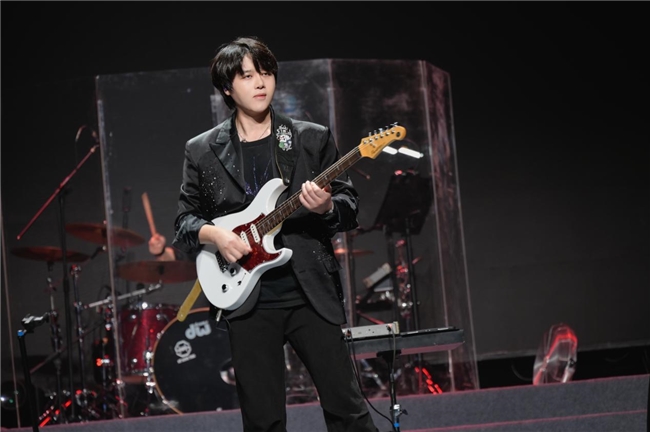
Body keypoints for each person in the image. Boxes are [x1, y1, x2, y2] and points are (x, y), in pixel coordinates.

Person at [170, 36, 378, 432]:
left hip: (309, 292)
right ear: (227, 87)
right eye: (248, 76)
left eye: (266, 73)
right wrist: (218, 237)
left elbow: (349, 206)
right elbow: (185, 222)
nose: (261, 82)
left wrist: (327, 207)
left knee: (347, 410)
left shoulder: (310, 137)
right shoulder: (202, 150)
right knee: (263, 420)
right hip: (247, 300)